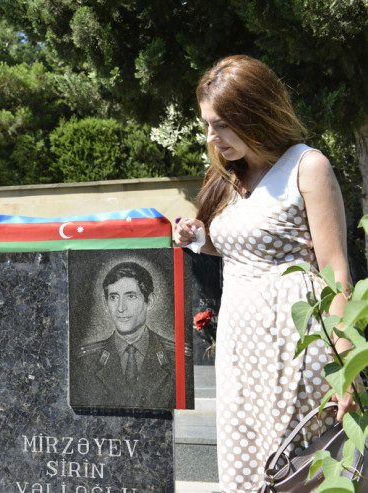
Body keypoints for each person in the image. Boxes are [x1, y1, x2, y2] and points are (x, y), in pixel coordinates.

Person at [173, 55, 354, 492]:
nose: (212, 137)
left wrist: (348, 367)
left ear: (256, 112)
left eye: (222, 124)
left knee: (297, 470)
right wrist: (198, 237)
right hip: (240, 347)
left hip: (295, 344)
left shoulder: (306, 166)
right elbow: (239, 247)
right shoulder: (228, 175)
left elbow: (335, 270)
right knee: (246, 467)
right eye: (207, 125)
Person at [73, 262, 175, 410]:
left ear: (150, 301)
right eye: (114, 297)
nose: (121, 308)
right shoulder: (85, 362)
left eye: (131, 296)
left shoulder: (176, 358)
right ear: (106, 304)